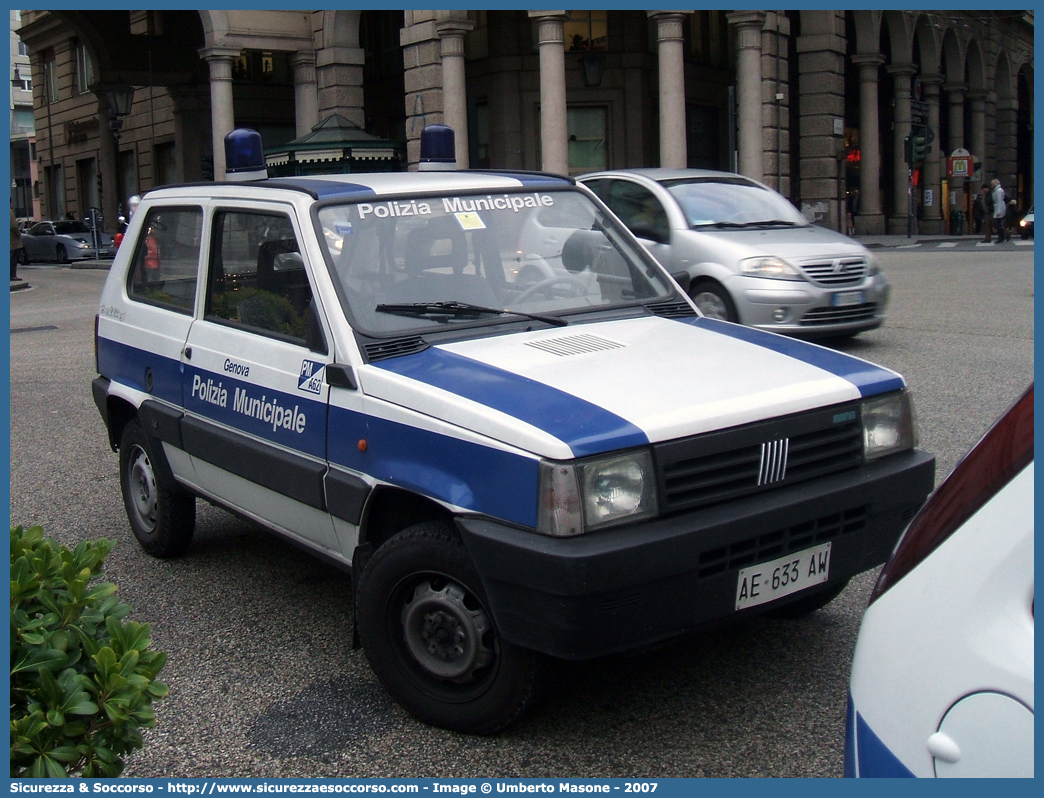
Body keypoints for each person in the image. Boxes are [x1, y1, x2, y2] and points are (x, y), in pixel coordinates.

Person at [987, 178, 1007, 243]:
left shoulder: (998, 191)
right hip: (997, 207)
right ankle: (1002, 236)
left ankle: (1003, 235)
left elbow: (999, 201)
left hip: (999, 208)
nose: (991, 185)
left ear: (995, 184)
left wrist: (998, 211)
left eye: (992, 184)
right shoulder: (996, 190)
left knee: (996, 223)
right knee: (997, 223)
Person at [10, 208, 24, 281]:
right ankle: (12, 275)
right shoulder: (10, 212)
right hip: (12, 240)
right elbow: (13, 226)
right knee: (12, 258)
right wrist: (18, 234)